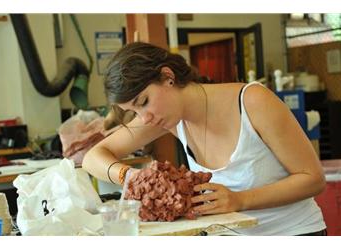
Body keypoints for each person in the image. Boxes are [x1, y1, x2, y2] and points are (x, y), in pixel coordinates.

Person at [82, 42, 326, 236]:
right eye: (134, 112)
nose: (144, 118)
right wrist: (131, 177)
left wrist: (240, 200)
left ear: (168, 76)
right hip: (227, 236)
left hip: (294, 234)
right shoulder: (170, 119)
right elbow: (92, 158)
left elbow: (313, 179)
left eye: (144, 102)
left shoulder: (253, 102)